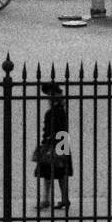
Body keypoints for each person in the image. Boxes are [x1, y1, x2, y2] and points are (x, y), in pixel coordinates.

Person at [33, 82, 72, 211]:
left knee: (48, 173)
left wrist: (47, 142)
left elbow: (54, 129)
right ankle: (63, 199)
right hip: (61, 142)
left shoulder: (56, 110)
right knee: (60, 173)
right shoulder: (60, 108)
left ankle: (46, 200)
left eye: (50, 94)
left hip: (55, 144)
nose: (48, 96)